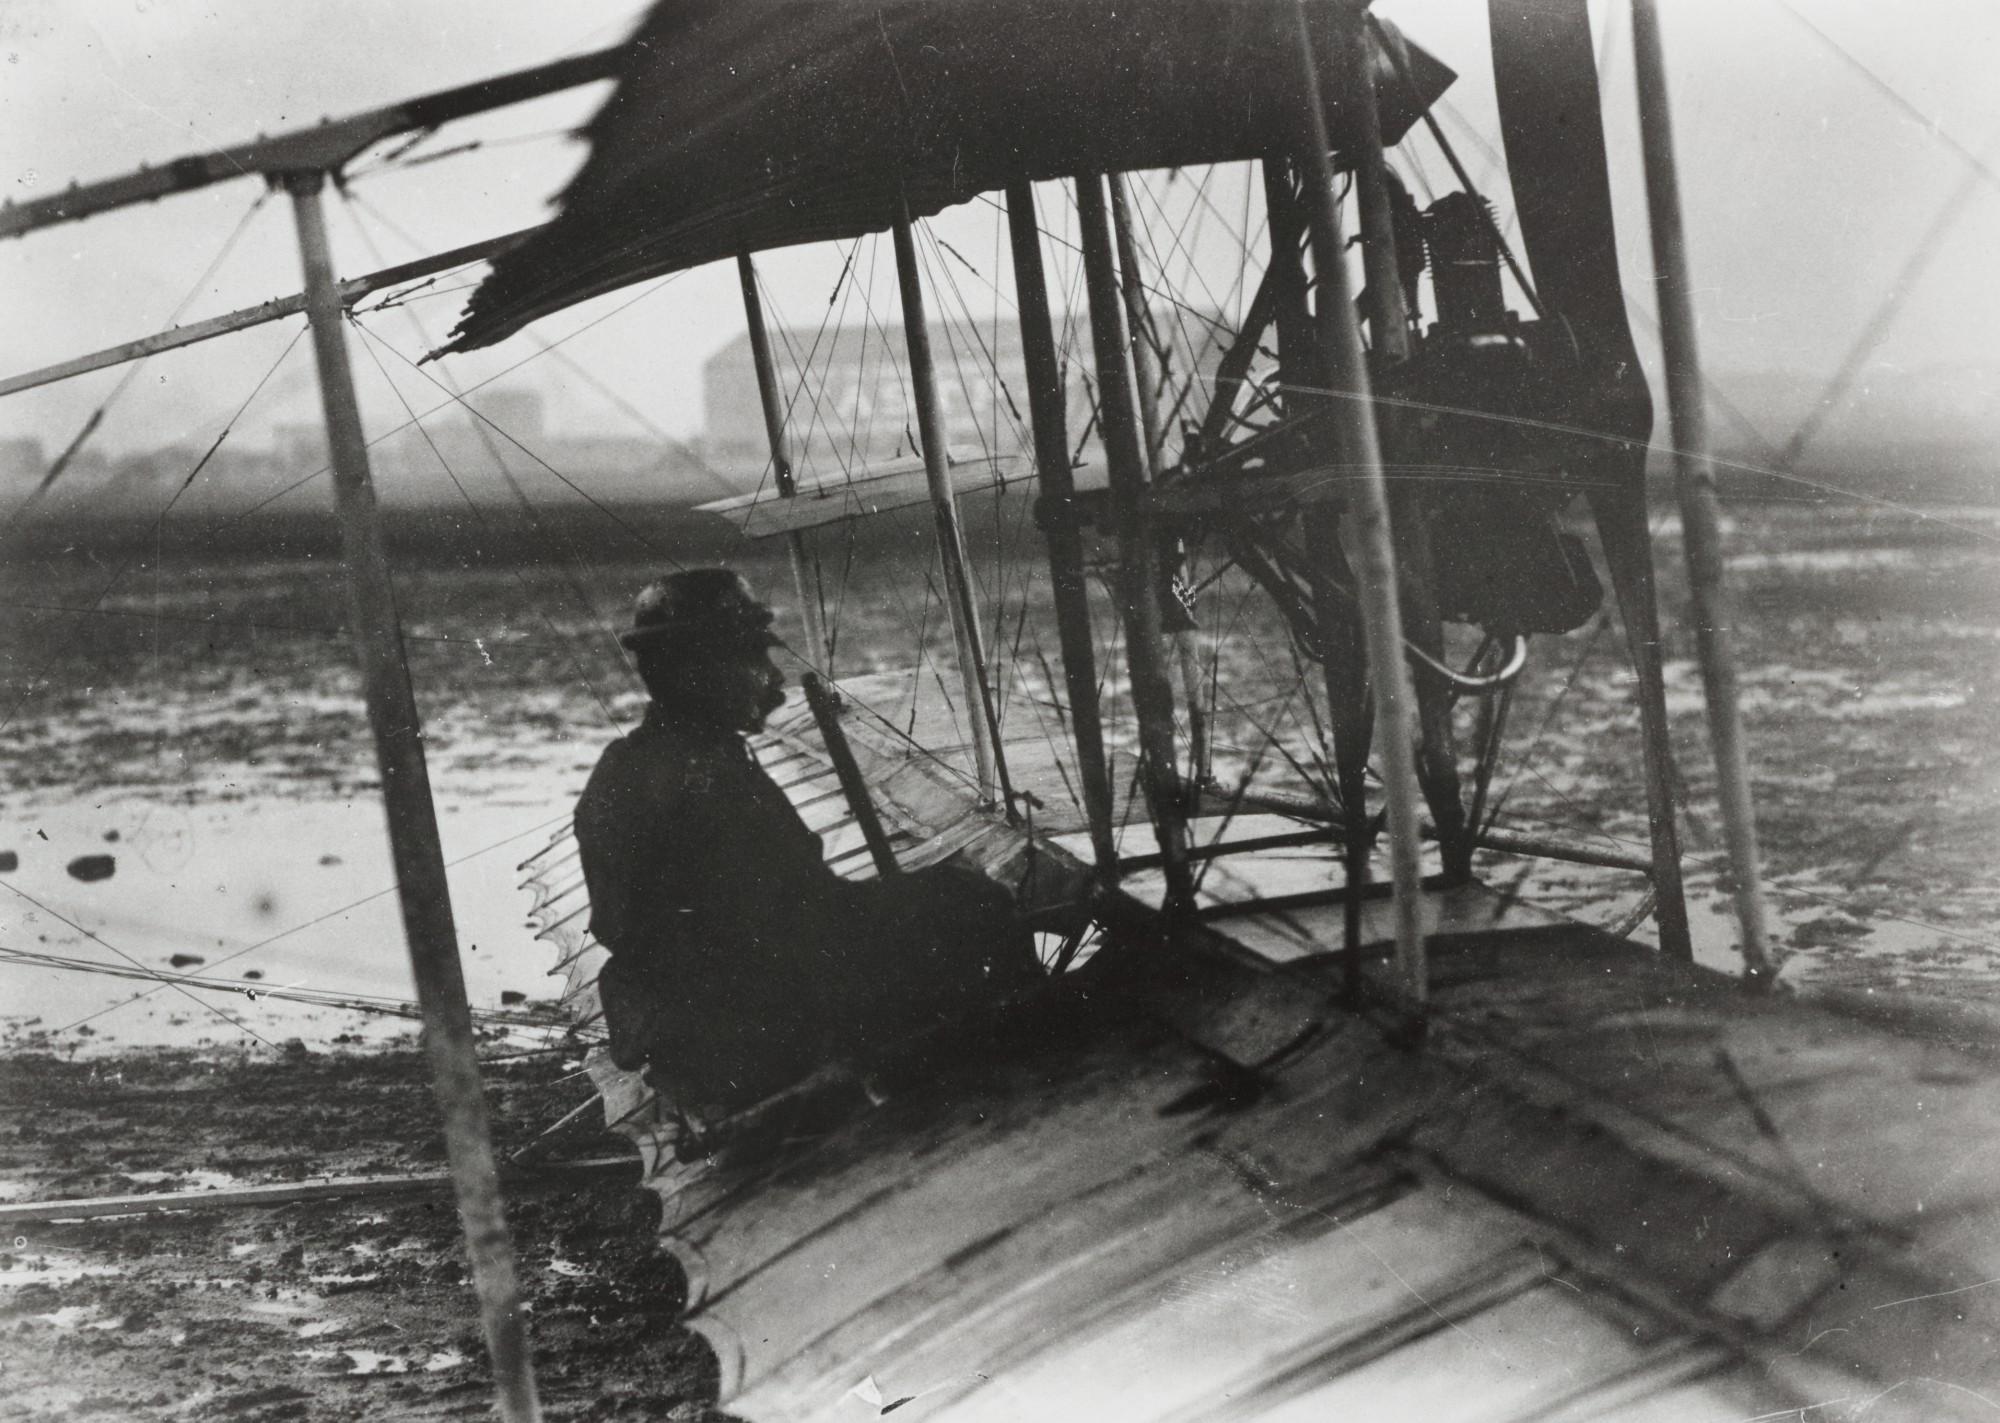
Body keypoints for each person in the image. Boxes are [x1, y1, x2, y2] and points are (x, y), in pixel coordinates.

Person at [574, 568, 1041, 1112]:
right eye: (754, 660)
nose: (774, 682)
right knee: (973, 903)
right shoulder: (704, 780)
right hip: (748, 1022)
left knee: (942, 904)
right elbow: (801, 921)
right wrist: (948, 897)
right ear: (697, 670)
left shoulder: (638, 763)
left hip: (689, 1018)